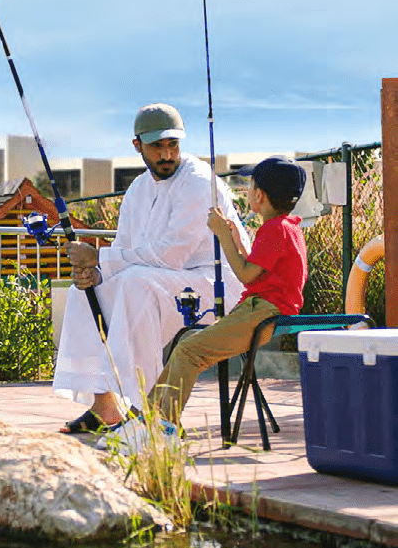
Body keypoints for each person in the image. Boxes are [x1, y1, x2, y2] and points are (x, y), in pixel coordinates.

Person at [54, 103, 249, 433]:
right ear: (137, 146)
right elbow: (126, 249)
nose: (167, 154)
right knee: (84, 293)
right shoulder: (137, 189)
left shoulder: (198, 181)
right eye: (157, 146)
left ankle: (148, 409)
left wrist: (98, 258)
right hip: (167, 281)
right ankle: (104, 406)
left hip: (217, 284)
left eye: (173, 144)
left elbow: (171, 255)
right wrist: (95, 275)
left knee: (136, 285)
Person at [146, 155, 308, 426]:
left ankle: (163, 426)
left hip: (262, 312)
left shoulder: (274, 230)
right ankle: (147, 418)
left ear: (259, 194)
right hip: (261, 309)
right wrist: (236, 241)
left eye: (250, 186)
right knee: (185, 347)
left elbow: (244, 274)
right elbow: (257, 273)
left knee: (188, 351)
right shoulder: (287, 228)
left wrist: (222, 235)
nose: (247, 191)